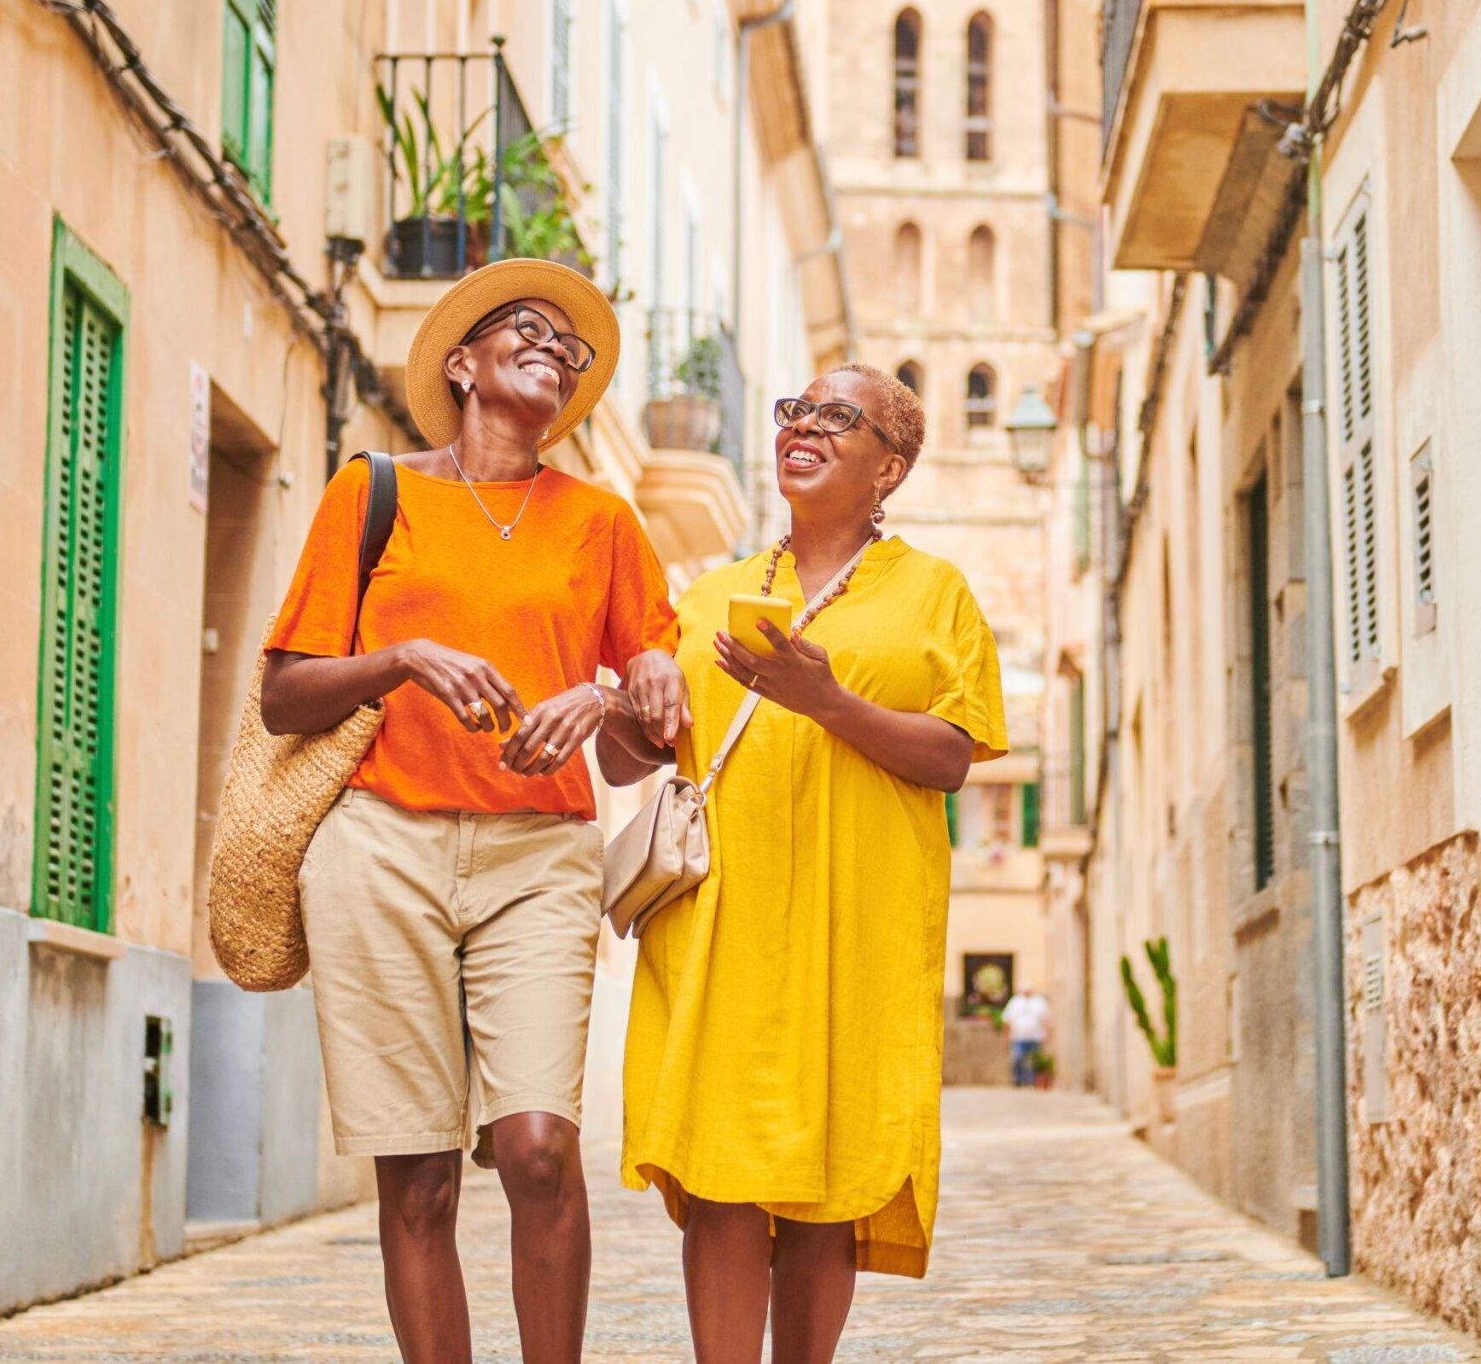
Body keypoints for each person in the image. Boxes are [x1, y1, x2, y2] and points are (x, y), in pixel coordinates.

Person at [260, 260, 688, 1364]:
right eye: (524, 329)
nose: (554, 345)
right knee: (418, 1180)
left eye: (570, 344)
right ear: (462, 363)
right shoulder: (373, 495)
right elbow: (283, 693)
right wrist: (401, 657)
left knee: (540, 1146)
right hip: (378, 845)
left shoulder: (602, 524)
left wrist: (606, 694)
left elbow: (646, 747)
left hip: (540, 852)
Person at [622, 365, 1007, 1364]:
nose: (805, 425)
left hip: (859, 923)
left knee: (825, 1179)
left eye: (841, 417)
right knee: (720, 1172)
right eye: (796, 409)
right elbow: (641, 753)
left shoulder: (934, 593)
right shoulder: (714, 592)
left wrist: (828, 701)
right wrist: (634, 693)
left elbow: (955, 756)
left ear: (893, 465)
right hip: (721, 921)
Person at [1000, 987, 1053, 1088]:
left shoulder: (1039, 1001)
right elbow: (1006, 1019)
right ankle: (1019, 1080)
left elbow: (1046, 1019)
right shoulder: (1015, 1002)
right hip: (1018, 1037)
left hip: (1036, 1036)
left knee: (1034, 1060)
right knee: (1018, 1058)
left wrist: (1047, 1034)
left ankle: (1032, 1080)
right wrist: (1005, 1035)